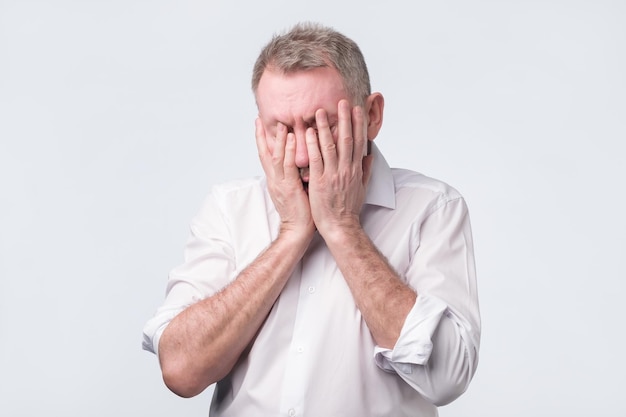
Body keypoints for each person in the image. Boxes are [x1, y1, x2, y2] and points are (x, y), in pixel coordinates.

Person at [142, 22, 481, 416]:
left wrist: (342, 227)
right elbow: (181, 372)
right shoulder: (229, 208)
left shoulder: (432, 209)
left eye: (323, 127)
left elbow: (447, 377)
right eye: (281, 131)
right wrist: (292, 235)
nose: (302, 156)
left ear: (371, 115)